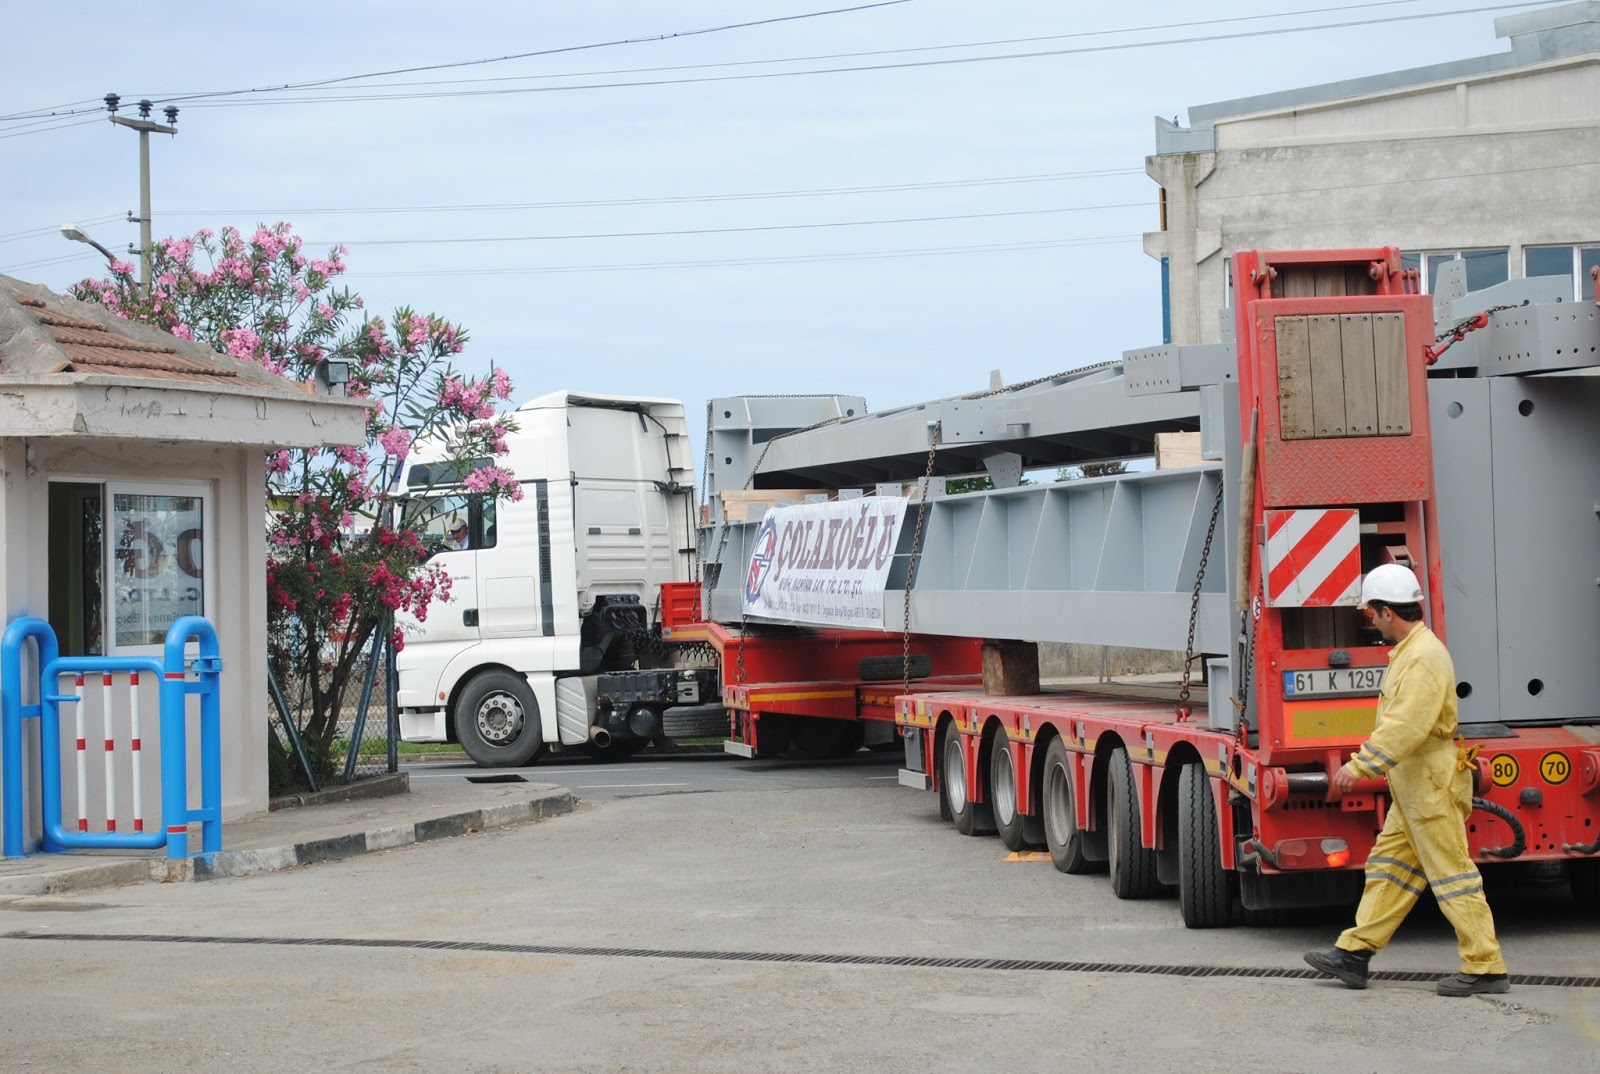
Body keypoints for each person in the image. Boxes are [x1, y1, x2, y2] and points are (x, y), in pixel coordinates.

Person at [1304, 563, 1509, 997]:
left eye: (1370, 614)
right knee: (1389, 869)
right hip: (1415, 786)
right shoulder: (1414, 652)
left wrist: (1359, 766)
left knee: (1453, 875)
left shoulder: (1421, 658)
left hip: (1429, 785)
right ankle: (1354, 953)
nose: (1371, 621)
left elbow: (1406, 725)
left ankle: (1485, 966)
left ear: (1386, 612)